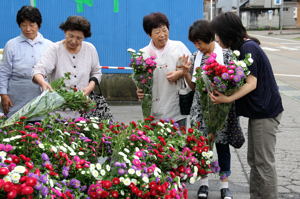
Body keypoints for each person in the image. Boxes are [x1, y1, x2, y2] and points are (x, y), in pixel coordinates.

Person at [210, 12, 284, 199]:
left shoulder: (247, 48)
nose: (216, 39)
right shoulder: (244, 46)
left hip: (266, 113)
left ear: (226, 33)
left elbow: (252, 83)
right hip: (260, 113)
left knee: (263, 163)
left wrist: (227, 99)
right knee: (255, 160)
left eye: (218, 34)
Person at [181, 20, 240, 199]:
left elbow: (236, 83)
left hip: (220, 109)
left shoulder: (227, 55)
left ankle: (224, 185)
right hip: (200, 110)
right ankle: (204, 184)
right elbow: (194, 87)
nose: (197, 47)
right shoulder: (195, 56)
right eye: (195, 43)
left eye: (199, 42)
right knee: (201, 148)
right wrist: (185, 72)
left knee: (222, 147)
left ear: (209, 38)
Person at [32, 16, 101, 119]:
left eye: (79, 38)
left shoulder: (90, 49)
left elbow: (96, 72)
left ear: (84, 37)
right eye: (71, 36)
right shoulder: (55, 49)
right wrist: (42, 82)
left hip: (82, 109)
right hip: (57, 111)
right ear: (65, 32)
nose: (73, 41)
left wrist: (90, 87)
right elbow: (39, 70)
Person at [136, 12, 191, 127]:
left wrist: (180, 73)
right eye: (157, 32)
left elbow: (192, 68)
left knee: (178, 143)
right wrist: (139, 90)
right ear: (149, 34)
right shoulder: (143, 54)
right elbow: (139, 78)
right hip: (153, 110)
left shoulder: (178, 47)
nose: (162, 35)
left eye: (165, 30)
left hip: (176, 108)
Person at [0, 6, 52, 120]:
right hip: (17, 96)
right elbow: (4, 72)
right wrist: (3, 95)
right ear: (19, 25)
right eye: (24, 25)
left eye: (32, 25)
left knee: (41, 128)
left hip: (41, 95)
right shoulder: (11, 45)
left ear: (39, 24)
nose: (28, 29)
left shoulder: (49, 46)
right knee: (16, 128)